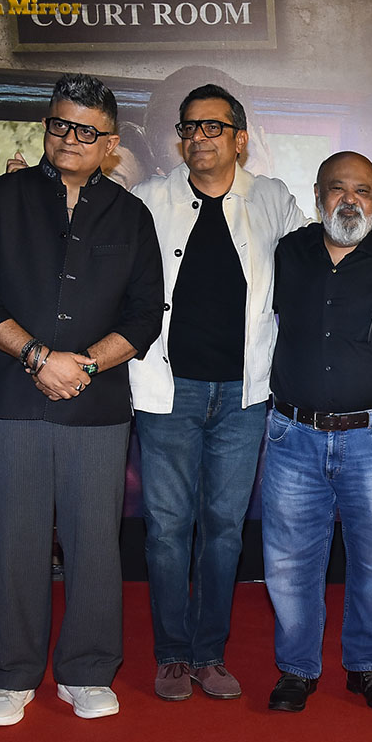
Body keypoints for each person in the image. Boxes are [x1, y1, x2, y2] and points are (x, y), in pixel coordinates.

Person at [0, 73, 163, 726]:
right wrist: (38, 358)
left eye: (85, 131)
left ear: (110, 142)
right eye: (59, 125)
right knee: (13, 539)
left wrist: (85, 364)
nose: (69, 139)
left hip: (96, 405)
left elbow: (145, 315)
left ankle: (87, 671)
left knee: (94, 540)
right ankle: (10, 678)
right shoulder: (1, 200)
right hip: (15, 398)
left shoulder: (131, 216)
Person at [129, 84, 308, 701]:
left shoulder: (272, 198)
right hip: (167, 391)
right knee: (166, 529)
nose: (199, 137)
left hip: (243, 395)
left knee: (225, 528)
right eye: (189, 127)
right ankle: (172, 654)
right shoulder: (148, 199)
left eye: (213, 126)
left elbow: (318, 261)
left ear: (240, 138)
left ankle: (210, 653)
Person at [262, 151, 372, 713]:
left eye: (362, 190)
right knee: (289, 562)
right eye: (338, 189)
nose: (350, 200)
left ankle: (368, 667)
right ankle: (296, 669)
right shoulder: (288, 253)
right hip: (292, 435)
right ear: (318, 196)